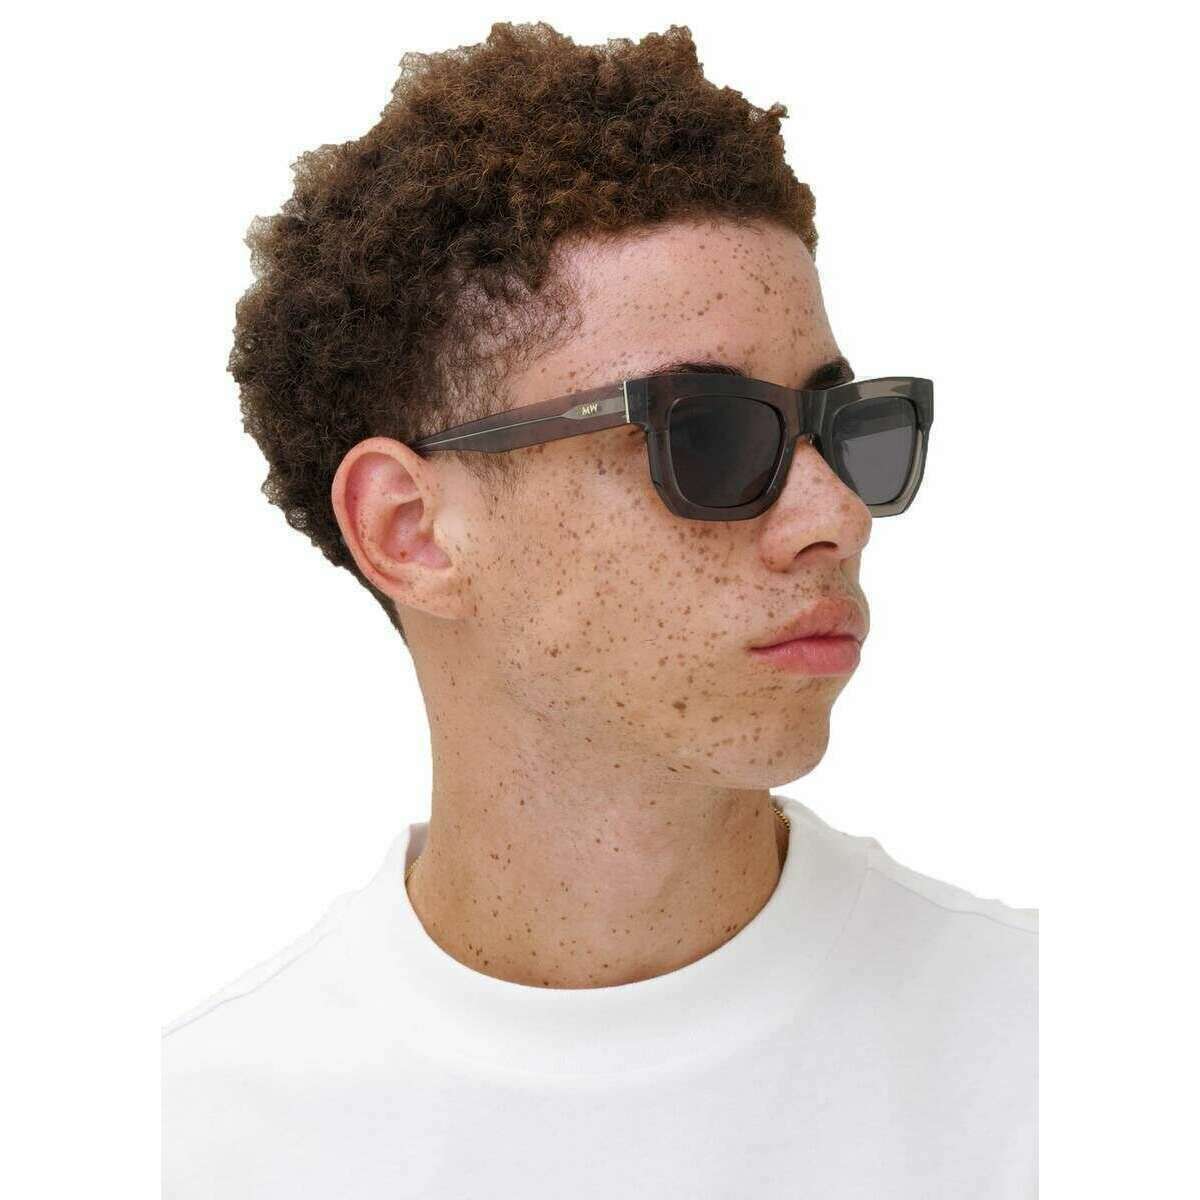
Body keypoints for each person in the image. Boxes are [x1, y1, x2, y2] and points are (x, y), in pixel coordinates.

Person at [163, 20, 1036, 1198]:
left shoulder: (1057, 1066)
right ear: (411, 530)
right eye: (709, 436)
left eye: (838, 429)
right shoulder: (196, 1144)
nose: (836, 514)